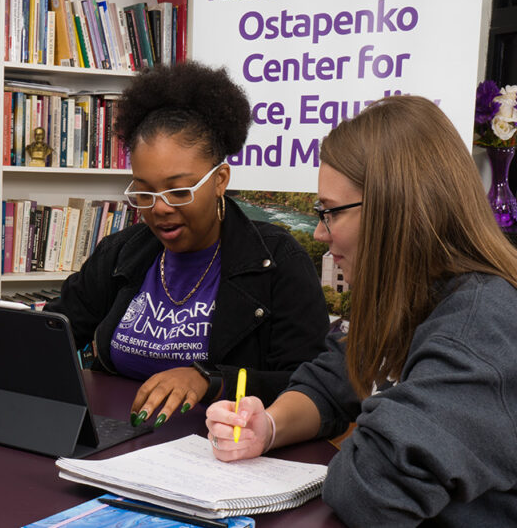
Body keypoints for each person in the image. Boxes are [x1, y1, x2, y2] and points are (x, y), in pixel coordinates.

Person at [205, 95, 517, 526]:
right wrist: (269, 426)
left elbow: (367, 488)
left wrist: (374, 421)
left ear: (395, 211)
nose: (318, 232)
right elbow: (335, 377)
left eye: (330, 212)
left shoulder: (478, 328)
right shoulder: (419, 295)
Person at [44, 61, 329, 429]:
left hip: (221, 453)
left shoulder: (277, 260)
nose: (160, 209)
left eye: (179, 191)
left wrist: (209, 380)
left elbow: (309, 386)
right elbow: (55, 332)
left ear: (220, 180)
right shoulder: (121, 253)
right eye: (144, 192)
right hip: (117, 441)